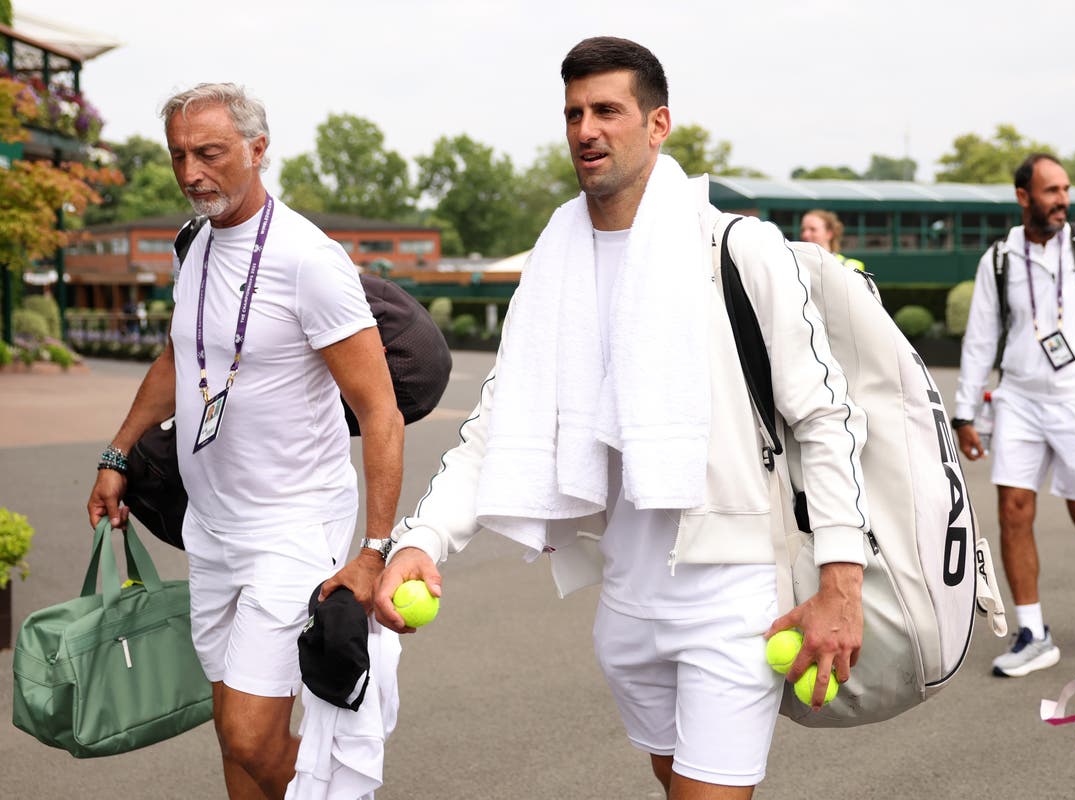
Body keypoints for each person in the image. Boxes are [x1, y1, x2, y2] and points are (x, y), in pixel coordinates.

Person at [373, 37, 870, 799]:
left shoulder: (739, 250)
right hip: (626, 595)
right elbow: (499, 426)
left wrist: (841, 581)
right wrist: (423, 539)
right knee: (676, 785)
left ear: (658, 123)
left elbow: (825, 418)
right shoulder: (554, 261)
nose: (586, 129)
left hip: (733, 588)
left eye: (607, 109)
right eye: (573, 113)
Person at [86, 83, 405, 799]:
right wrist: (118, 452)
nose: (191, 173)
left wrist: (373, 551)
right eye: (179, 156)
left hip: (292, 528)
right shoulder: (194, 242)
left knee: (251, 735)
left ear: (258, 150)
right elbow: (179, 355)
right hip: (214, 530)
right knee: (231, 730)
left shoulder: (308, 260)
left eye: (210, 153)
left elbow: (379, 410)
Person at [952, 153, 1075, 679]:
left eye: (1065, 189)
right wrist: (965, 411)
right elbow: (980, 339)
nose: (1062, 200)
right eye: (1051, 190)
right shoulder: (998, 259)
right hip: (1019, 401)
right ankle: (1032, 631)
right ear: (1023, 196)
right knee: (1013, 510)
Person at [799, 209, 865, 271]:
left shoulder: (850, 266)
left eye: (813, 229)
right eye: (803, 230)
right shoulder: (796, 263)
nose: (805, 235)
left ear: (829, 233)